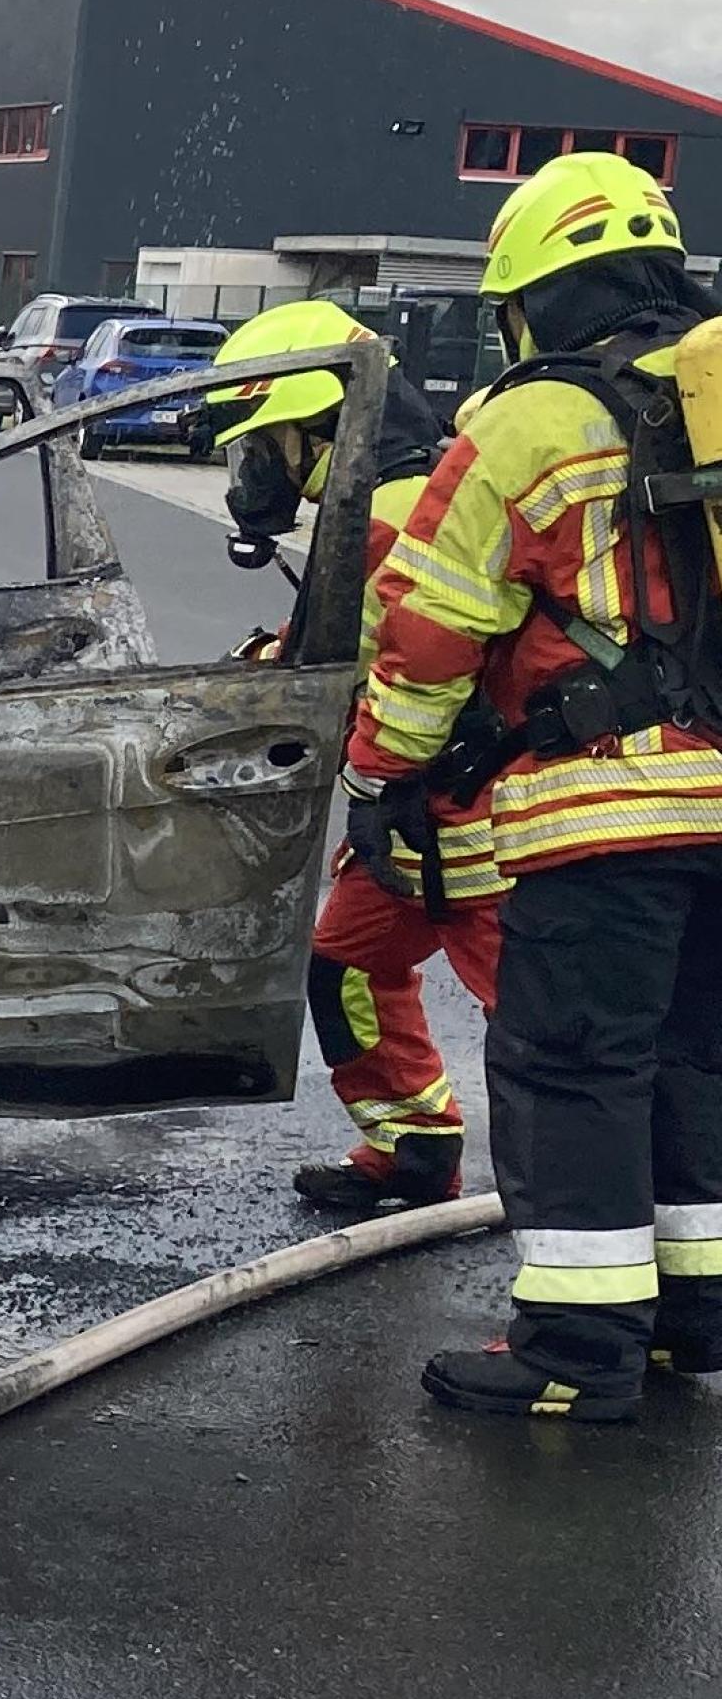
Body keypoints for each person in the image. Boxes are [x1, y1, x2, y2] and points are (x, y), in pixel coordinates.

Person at [343, 149, 722, 1418]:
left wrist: (383, 775)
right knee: (692, 1062)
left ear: (539, 293)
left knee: (571, 1066)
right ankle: (693, 1320)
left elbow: (431, 625)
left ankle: (578, 1351)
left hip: (603, 813)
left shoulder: (531, 420)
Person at [211, 303, 505, 1212]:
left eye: (264, 445)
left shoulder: (388, 517)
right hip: (415, 821)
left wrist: (248, 684)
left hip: (487, 824)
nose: (254, 470)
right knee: (344, 962)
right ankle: (412, 1145)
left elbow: (342, 670)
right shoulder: (377, 503)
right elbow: (340, 649)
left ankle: (606, 1235)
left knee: (550, 1037)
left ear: (314, 427)